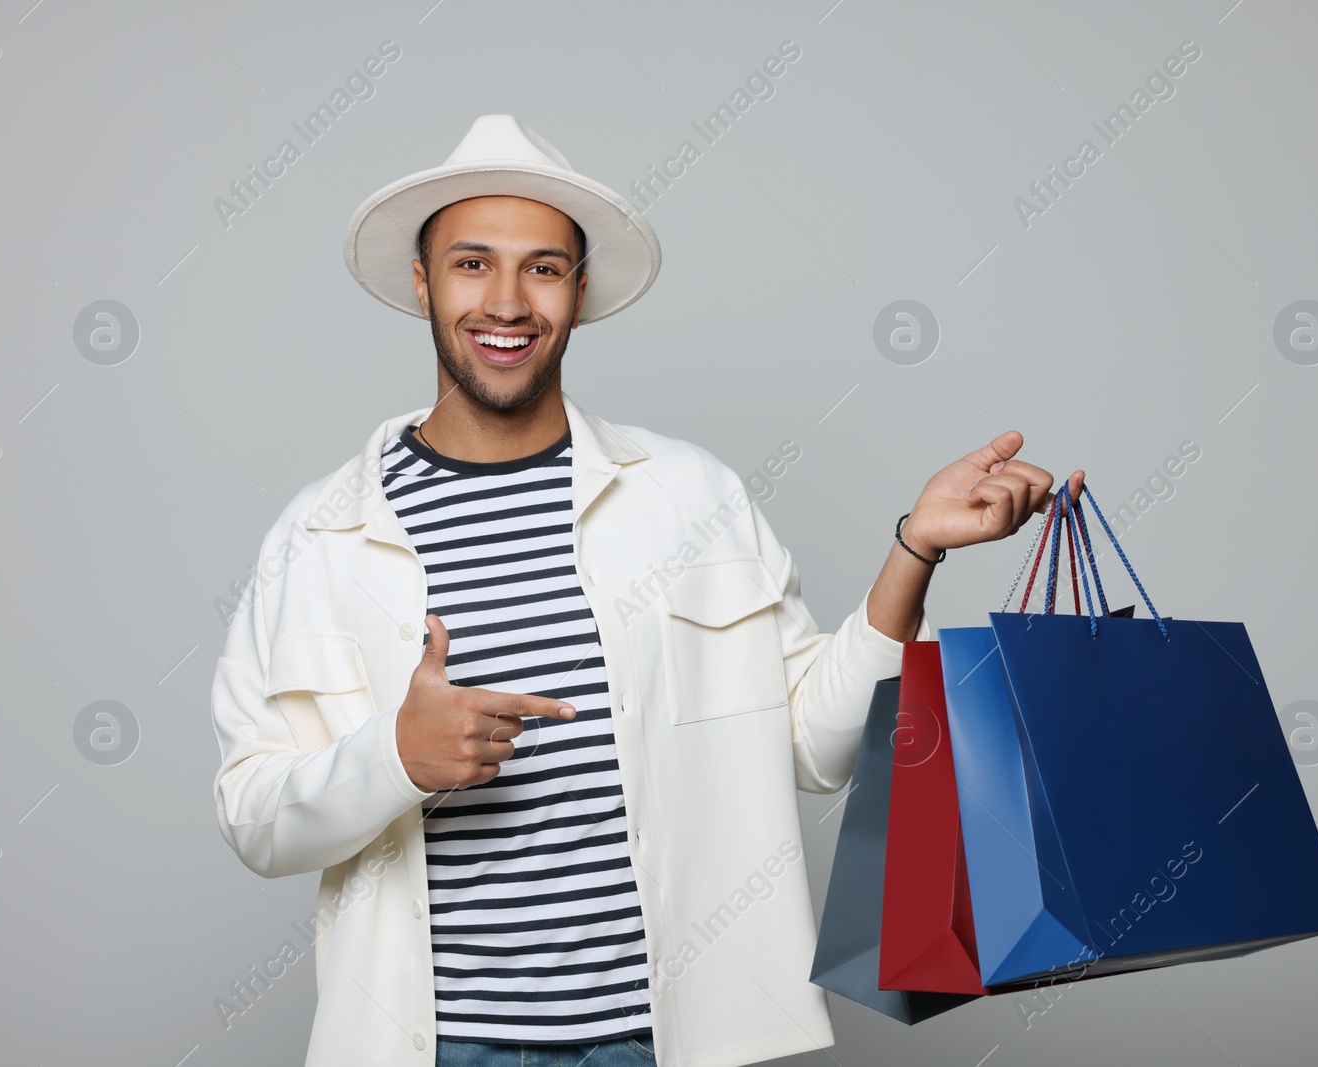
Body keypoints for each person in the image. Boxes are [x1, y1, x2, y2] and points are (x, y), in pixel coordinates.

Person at [210, 114, 1083, 1067]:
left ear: (578, 293)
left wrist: (916, 549)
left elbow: (813, 746)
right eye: (471, 263)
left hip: (663, 1042)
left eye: (542, 268)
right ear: (422, 281)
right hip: (439, 1048)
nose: (506, 301)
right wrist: (397, 758)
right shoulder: (320, 535)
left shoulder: (689, 496)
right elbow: (253, 814)